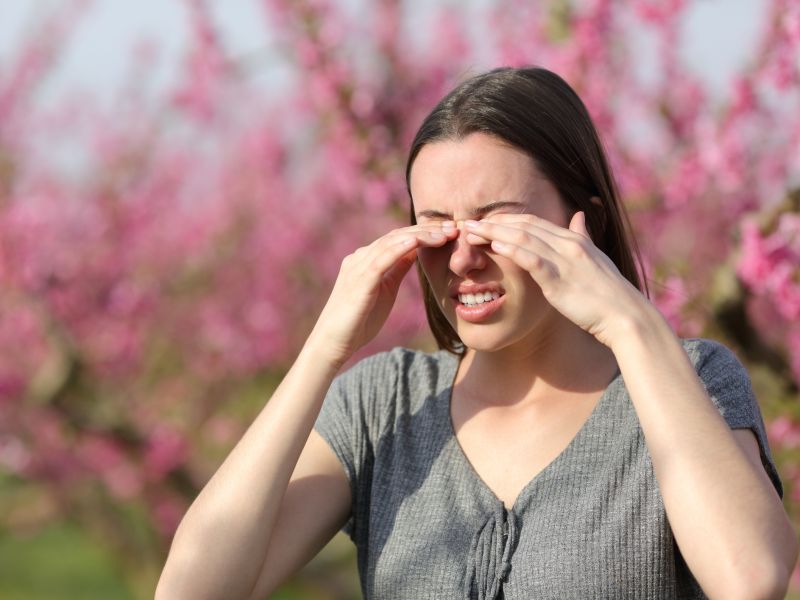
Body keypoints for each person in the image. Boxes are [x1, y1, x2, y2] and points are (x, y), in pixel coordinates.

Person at [156, 67, 798, 600]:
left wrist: (629, 323)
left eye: (499, 224)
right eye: (436, 226)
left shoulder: (688, 383)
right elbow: (194, 590)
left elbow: (753, 579)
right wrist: (324, 351)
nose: (464, 260)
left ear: (585, 224)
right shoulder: (384, 406)